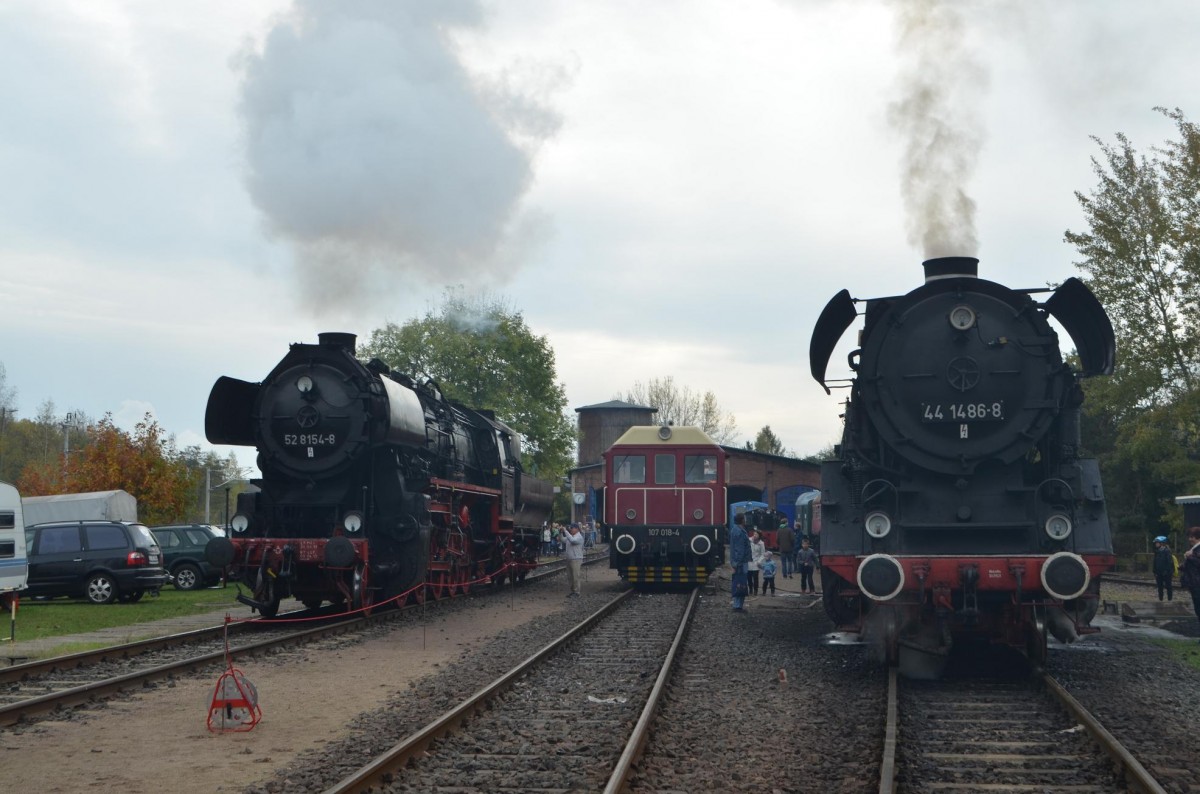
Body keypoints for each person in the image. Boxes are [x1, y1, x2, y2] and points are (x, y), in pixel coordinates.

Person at [1179, 526, 1200, 641]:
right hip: (1194, 583)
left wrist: (1189, 557)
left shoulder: (1197, 550)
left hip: (1197, 584)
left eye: (1192, 537)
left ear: (1197, 537)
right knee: (1197, 609)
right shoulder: (1194, 549)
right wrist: (1182, 567)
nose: (1189, 539)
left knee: (1199, 609)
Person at [729, 513, 751, 611]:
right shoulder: (739, 532)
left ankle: (738, 605)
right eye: (744, 518)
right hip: (741, 562)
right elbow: (739, 549)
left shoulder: (736, 529)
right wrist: (738, 563)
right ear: (742, 520)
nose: (745, 520)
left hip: (739, 561)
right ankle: (737, 606)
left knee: (739, 581)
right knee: (740, 582)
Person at [563, 522, 584, 597]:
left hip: (576, 559)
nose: (571, 529)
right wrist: (560, 532)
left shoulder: (579, 537)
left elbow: (573, 541)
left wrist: (565, 531)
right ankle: (573, 591)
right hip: (569, 559)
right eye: (570, 528)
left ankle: (577, 592)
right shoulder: (570, 536)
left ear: (577, 529)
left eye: (572, 528)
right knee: (570, 577)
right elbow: (562, 539)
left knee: (575, 576)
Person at [1152, 535, 1175, 602]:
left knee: (1168, 586)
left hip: (1166, 573)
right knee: (1160, 587)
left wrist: (1167, 571)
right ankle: (1160, 599)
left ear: (1162, 543)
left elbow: (1169, 562)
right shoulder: (1157, 551)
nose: (1156, 544)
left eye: (1157, 542)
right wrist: (1154, 571)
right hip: (1158, 572)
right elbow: (1155, 562)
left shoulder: (1167, 551)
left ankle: (1169, 599)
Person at [748, 530, 766, 596]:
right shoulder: (749, 540)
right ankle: (750, 590)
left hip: (756, 562)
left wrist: (759, 561)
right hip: (749, 561)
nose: (754, 535)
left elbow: (762, 554)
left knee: (755, 577)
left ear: (759, 536)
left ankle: (755, 590)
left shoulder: (761, 543)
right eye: (754, 534)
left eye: (756, 534)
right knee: (749, 577)